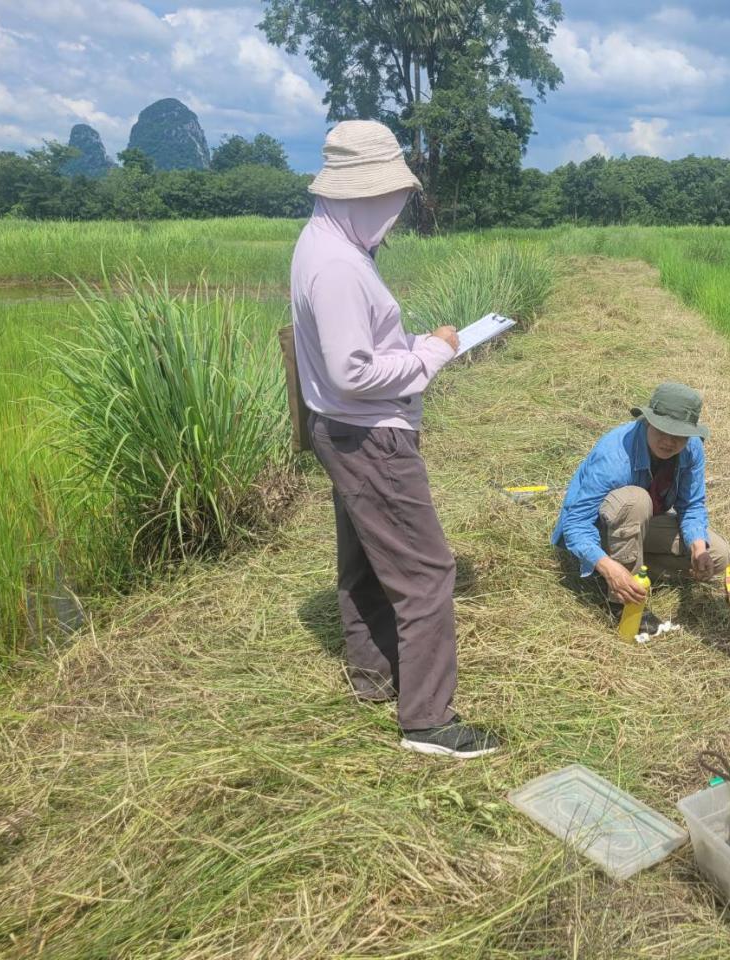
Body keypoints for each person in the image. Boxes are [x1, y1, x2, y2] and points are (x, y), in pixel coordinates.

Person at [290, 120, 499, 759]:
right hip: (370, 438)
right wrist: (432, 357)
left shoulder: (328, 243)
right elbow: (354, 373)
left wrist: (417, 344)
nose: (397, 213)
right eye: (392, 199)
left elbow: (357, 350)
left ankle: (373, 674)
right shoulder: (337, 267)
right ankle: (428, 721)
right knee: (426, 571)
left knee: (364, 561)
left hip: (345, 432)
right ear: (359, 194)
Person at [552, 382, 730, 630]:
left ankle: (628, 572)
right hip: (600, 529)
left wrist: (697, 547)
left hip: (638, 526)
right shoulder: (615, 455)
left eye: (678, 435)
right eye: (662, 431)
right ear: (648, 421)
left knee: (717, 555)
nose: (669, 442)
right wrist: (607, 565)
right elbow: (575, 524)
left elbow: (691, 505)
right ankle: (620, 599)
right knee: (636, 500)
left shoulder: (692, 449)